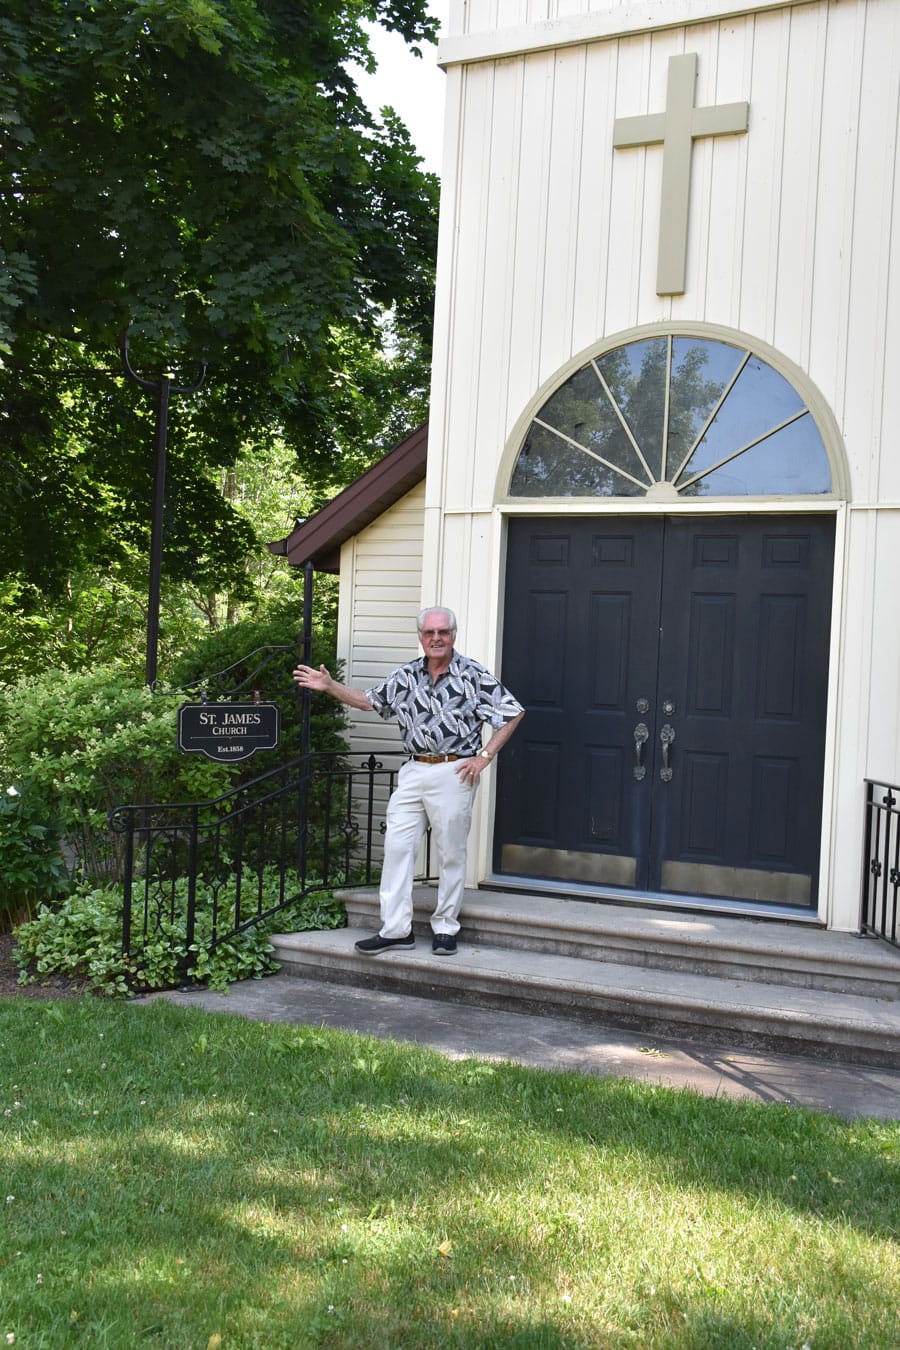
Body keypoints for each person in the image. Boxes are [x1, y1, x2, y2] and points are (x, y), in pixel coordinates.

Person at [293, 607, 524, 956]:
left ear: (453, 636)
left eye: (443, 632)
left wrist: (485, 756)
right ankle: (396, 930)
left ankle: (446, 928)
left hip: (455, 769)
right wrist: (329, 686)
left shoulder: (472, 674)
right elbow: (370, 702)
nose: (436, 638)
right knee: (398, 848)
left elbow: (511, 711)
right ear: (420, 637)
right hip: (414, 770)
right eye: (429, 633)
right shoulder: (406, 676)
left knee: (451, 854)